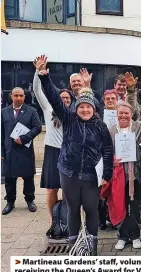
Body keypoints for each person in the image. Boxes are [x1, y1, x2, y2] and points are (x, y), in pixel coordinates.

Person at [37, 57, 113, 256]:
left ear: (93, 109)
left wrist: (107, 173)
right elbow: (54, 97)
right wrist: (44, 76)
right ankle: (74, 246)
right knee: (72, 209)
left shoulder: (100, 126)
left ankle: (91, 245)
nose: (85, 109)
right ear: (76, 108)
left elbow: (107, 149)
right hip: (68, 173)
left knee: (92, 210)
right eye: (81, 106)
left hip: (91, 176)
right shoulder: (69, 119)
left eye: (89, 107)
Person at [33, 56, 73, 235]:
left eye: (67, 99)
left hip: (68, 153)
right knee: (51, 188)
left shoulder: (73, 115)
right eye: (62, 98)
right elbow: (36, 90)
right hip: (51, 151)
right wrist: (38, 71)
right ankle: (52, 218)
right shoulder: (49, 109)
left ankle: (64, 218)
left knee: (66, 188)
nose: (64, 100)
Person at [109, 102, 141, 250]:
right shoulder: (111, 130)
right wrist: (113, 160)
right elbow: (107, 151)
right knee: (121, 205)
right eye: (121, 113)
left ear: (132, 114)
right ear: (117, 114)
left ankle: (136, 235)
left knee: (136, 206)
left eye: (126, 113)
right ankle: (123, 236)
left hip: (136, 174)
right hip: (119, 175)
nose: (124, 115)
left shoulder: (140, 128)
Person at [1, 87, 42, 215]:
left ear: (24, 97)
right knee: (9, 179)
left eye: (21, 96)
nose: (19, 98)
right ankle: (10, 202)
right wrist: (1, 152)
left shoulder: (31, 111)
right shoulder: (4, 112)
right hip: (9, 151)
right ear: (11, 97)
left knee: (28, 178)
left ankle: (30, 200)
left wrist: (24, 138)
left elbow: (38, 127)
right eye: (16, 96)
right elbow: (1, 133)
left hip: (25, 150)